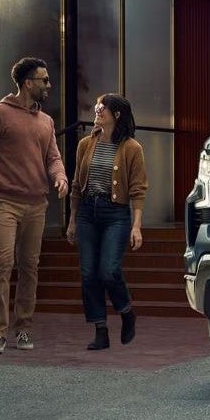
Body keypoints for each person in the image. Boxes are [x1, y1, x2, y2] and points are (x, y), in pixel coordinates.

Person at [0, 57, 68, 355]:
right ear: (27, 82)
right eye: (44, 80)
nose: (49, 85)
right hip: (5, 202)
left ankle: (23, 329)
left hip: (36, 204)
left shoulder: (46, 122)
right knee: (3, 263)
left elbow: (53, 157)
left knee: (30, 268)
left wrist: (59, 176)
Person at [66, 93, 147, 350]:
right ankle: (100, 330)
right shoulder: (85, 145)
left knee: (109, 271)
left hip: (116, 215)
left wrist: (136, 226)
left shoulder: (133, 148)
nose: (97, 111)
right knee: (89, 273)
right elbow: (77, 186)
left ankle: (126, 312)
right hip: (88, 212)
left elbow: (138, 189)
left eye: (103, 108)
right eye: (97, 107)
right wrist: (72, 222)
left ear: (117, 115)